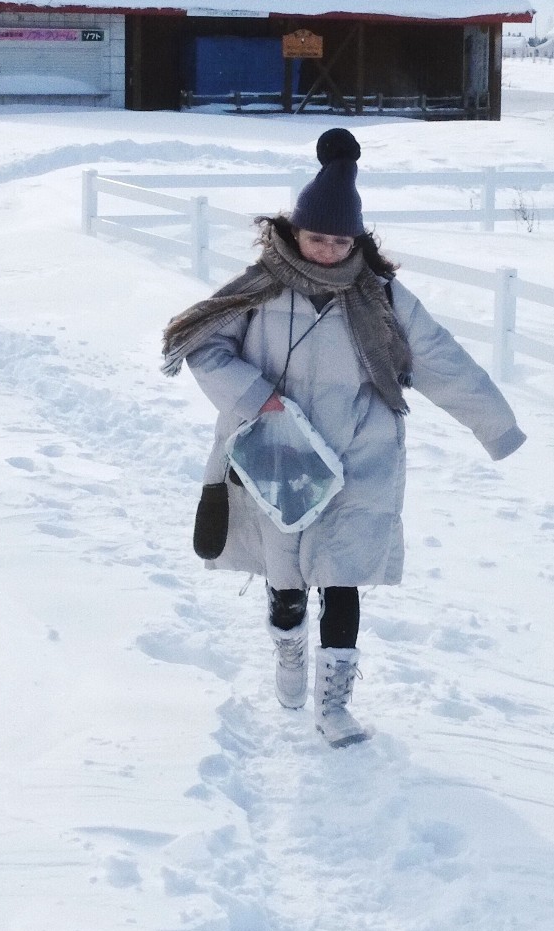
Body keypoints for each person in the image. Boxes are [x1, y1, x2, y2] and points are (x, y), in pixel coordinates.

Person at [161, 128, 525, 746]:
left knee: (343, 576)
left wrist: (497, 427)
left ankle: (334, 705)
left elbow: (440, 358)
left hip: (360, 457)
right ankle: (288, 647)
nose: (328, 250)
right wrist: (256, 399)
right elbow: (202, 344)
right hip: (278, 455)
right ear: (292, 233)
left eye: (340, 240)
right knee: (286, 582)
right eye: (317, 238)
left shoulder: (381, 298)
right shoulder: (261, 287)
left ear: (356, 240)